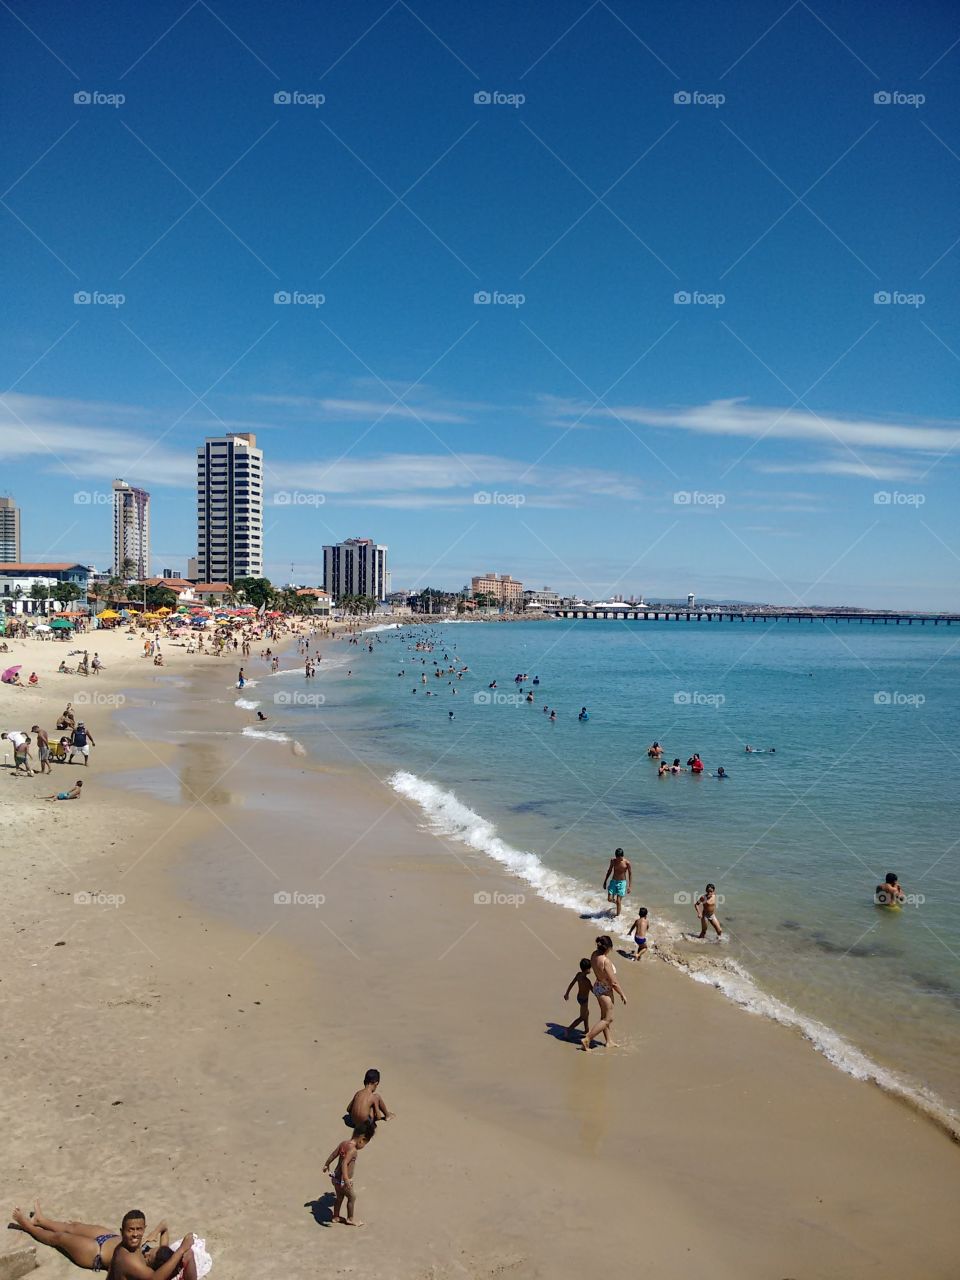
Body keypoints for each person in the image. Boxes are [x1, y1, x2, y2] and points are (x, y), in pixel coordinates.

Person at [107, 1211, 195, 1280]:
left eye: (139, 1229)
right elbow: (155, 1278)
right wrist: (181, 1250)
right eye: (130, 1230)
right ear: (122, 1232)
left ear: (144, 1229)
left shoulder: (132, 1246)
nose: (135, 1234)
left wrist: (155, 1232)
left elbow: (164, 1225)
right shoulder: (129, 1260)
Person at [323, 1120, 376, 1226]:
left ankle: (336, 1216)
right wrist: (346, 1180)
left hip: (335, 1178)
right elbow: (344, 1164)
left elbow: (334, 1154)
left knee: (339, 1198)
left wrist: (327, 1164)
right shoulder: (353, 1150)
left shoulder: (344, 1143)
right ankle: (350, 1219)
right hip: (343, 1180)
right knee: (352, 1197)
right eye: (365, 1144)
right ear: (362, 1140)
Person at [580, 936, 626, 1051]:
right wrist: (622, 994)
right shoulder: (606, 961)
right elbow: (614, 983)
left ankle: (609, 1041)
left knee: (604, 1016)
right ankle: (587, 1039)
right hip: (605, 990)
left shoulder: (594, 954)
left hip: (598, 987)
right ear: (609, 948)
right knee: (608, 1019)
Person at [563, 958, 593, 1038]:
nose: (591, 970)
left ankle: (587, 1029)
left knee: (586, 1013)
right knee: (582, 1017)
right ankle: (568, 1030)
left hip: (579, 997)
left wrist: (567, 993)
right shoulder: (587, 981)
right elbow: (593, 991)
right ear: (587, 970)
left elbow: (572, 983)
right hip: (584, 1000)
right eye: (590, 968)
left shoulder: (578, 975)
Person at [603, 847, 632, 916]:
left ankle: (617, 916)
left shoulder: (627, 863)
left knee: (619, 900)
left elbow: (630, 874)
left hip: (622, 882)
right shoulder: (613, 861)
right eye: (617, 858)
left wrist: (629, 886)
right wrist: (605, 881)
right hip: (614, 881)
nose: (618, 860)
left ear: (622, 856)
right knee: (609, 899)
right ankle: (617, 904)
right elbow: (609, 871)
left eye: (620, 858)